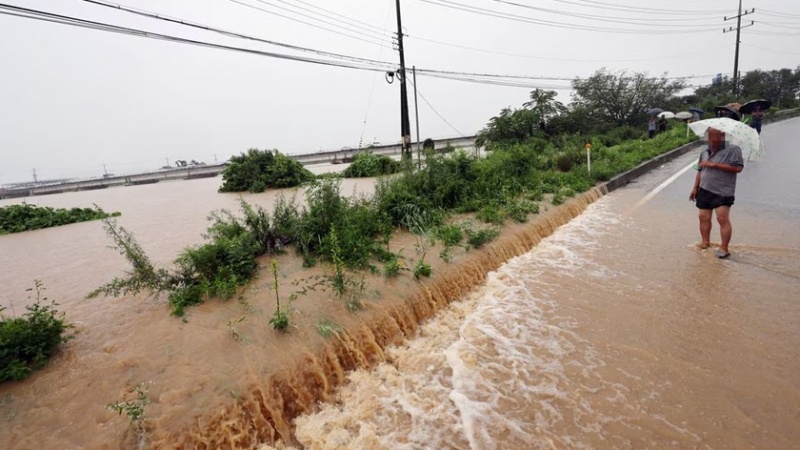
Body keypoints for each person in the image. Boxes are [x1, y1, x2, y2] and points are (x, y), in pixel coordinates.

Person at [689, 127, 745, 259]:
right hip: (704, 188)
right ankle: (705, 242)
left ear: (722, 136)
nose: (710, 139)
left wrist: (713, 164)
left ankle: (724, 248)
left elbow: (738, 168)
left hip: (723, 191)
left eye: (713, 136)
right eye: (708, 136)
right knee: (703, 217)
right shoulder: (704, 151)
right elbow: (700, 170)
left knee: (722, 219)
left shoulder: (733, 150)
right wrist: (695, 187)